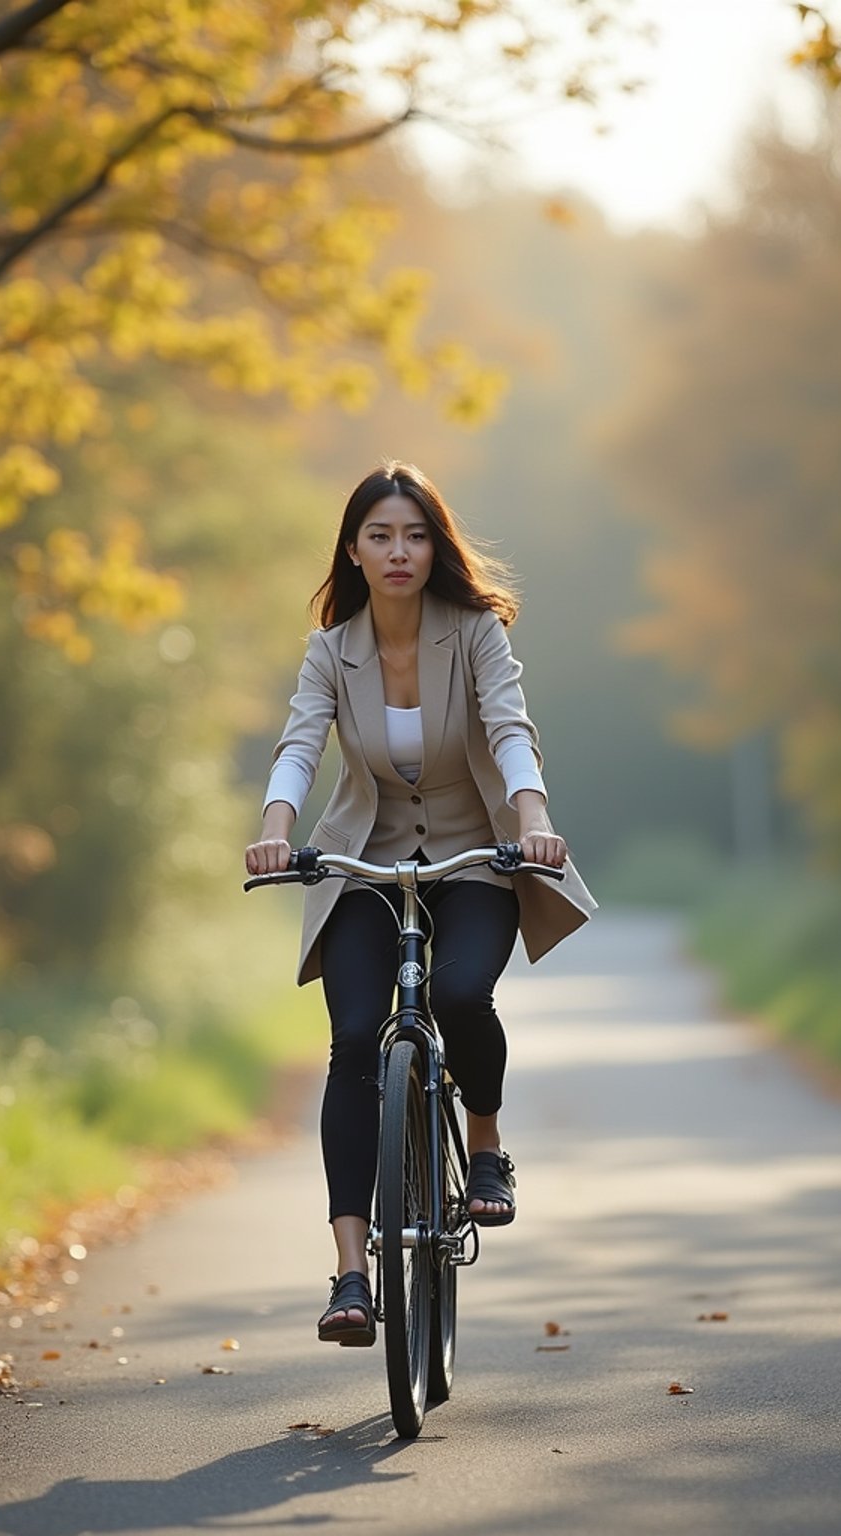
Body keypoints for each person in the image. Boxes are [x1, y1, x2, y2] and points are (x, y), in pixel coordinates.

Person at [244, 462, 596, 1347]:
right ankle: (352, 1276)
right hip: (364, 863)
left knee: (460, 995)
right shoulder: (332, 651)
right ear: (354, 552)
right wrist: (278, 826)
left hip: (476, 855)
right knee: (356, 1040)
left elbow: (511, 729)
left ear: (435, 546)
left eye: (415, 534)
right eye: (380, 536)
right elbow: (298, 745)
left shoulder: (472, 634)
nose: (399, 551)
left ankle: (483, 1146)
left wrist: (534, 819)